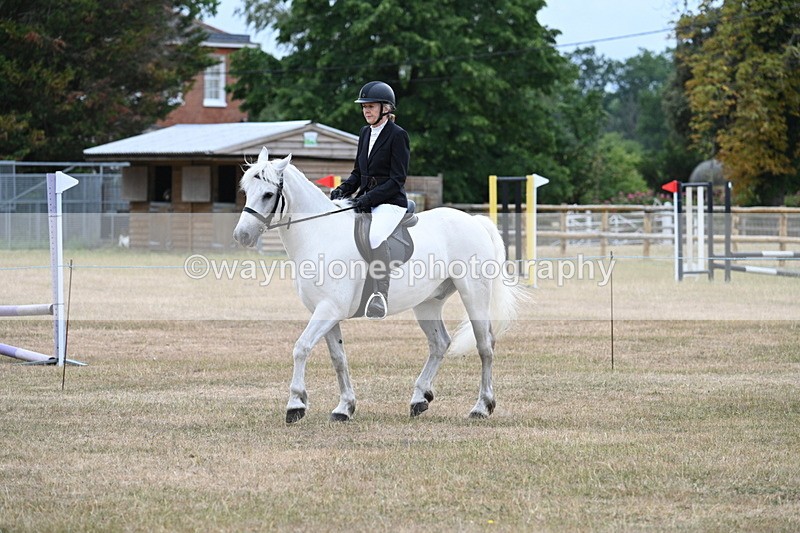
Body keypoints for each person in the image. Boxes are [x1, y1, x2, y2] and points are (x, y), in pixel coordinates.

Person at [330, 81, 410, 319]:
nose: (366, 110)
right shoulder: (365, 133)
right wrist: (342, 190)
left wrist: (367, 199)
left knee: (375, 235)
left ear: (386, 108)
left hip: (391, 202)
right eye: (364, 106)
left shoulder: (398, 135)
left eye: (371, 106)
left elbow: (397, 179)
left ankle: (379, 295)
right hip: (366, 200)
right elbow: (358, 173)